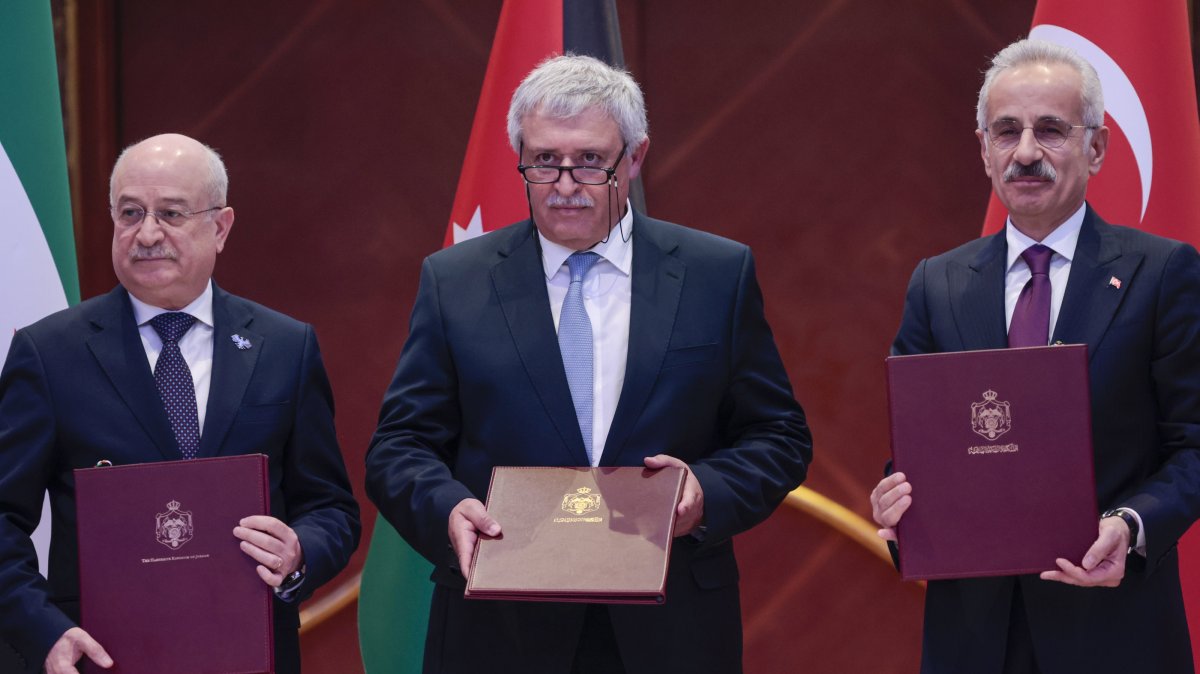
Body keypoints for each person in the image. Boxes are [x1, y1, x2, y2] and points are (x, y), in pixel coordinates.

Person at [365, 54, 812, 674]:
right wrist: (446, 507)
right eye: (545, 160)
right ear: (520, 155)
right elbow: (399, 445)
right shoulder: (456, 280)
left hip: (671, 626)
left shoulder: (716, 275)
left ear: (634, 157)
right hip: (501, 630)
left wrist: (706, 492)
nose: (566, 184)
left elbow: (779, 436)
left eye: (591, 162)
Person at [870, 39, 1200, 673]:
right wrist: (898, 506)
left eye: (1050, 130)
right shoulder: (936, 284)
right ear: (984, 149)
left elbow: (1194, 444)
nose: (1026, 153)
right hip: (973, 638)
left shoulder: (1162, 274)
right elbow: (922, 448)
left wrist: (1131, 526)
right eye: (1006, 132)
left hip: (1113, 630)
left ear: (1095, 148)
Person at [0, 133, 362, 673]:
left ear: (220, 227)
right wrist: (45, 631)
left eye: (170, 213)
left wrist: (299, 551)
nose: (147, 233)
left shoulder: (285, 347)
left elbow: (331, 509)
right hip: (99, 656)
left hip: (249, 652)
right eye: (130, 213)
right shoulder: (49, 353)